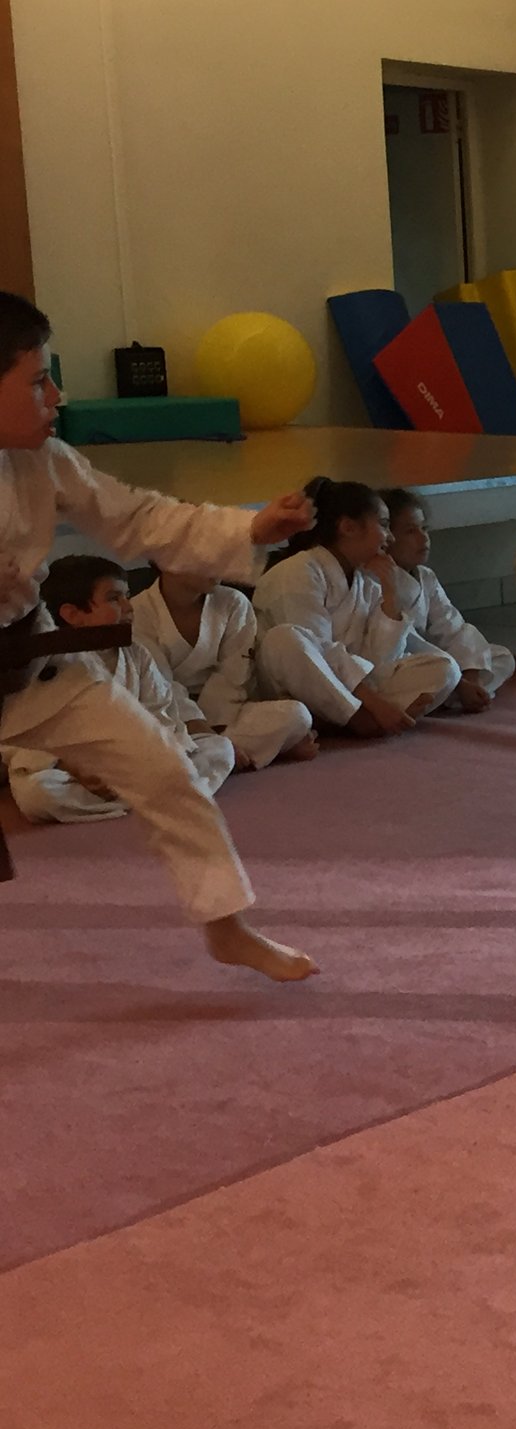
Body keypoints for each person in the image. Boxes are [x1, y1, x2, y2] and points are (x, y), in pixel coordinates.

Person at [0, 289, 316, 979]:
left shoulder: (44, 460)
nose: (55, 396)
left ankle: (226, 926)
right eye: (37, 381)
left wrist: (250, 527)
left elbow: (139, 518)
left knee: (167, 771)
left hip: (25, 664)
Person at [4, 555, 233, 823]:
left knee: (219, 749)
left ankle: (138, 798)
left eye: (128, 596)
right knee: (36, 794)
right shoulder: (45, 663)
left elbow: (160, 713)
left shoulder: (137, 654)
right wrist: (73, 765)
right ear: (73, 614)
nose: (128, 606)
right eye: (114, 598)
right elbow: (23, 733)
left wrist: (139, 762)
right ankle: (154, 800)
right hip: (74, 772)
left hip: (138, 763)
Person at [252, 478, 460, 735]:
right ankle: (360, 717)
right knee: (285, 639)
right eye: (383, 524)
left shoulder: (366, 580)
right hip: (290, 689)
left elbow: (379, 662)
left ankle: (340, 716)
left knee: (445, 668)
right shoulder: (298, 571)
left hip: (352, 688)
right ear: (348, 527)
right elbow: (317, 651)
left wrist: (390, 595)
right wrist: (373, 703)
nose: (390, 537)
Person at [131, 566, 318, 770]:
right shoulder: (138, 611)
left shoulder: (233, 602)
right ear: (168, 561)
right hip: (169, 717)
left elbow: (232, 676)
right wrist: (202, 730)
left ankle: (210, 758)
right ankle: (234, 754)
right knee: (142, 740)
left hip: (224, 716)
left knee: (297, 714)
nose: (219, 567)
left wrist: (214, 733)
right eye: (207, 560)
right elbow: (160, 685)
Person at [380, 487, 516, 711]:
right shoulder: (377, 581)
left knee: (502, 657)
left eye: (424, 528)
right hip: (400, 664)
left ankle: (456, 693)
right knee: (443, 672)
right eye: (410, 531)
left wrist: (471, 675)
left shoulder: (426, 576)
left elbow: (452, 626)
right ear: (386, 538)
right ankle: (451, 693)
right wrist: (458, 681)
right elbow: (407, 643)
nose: (423, 538)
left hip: (437, 661)